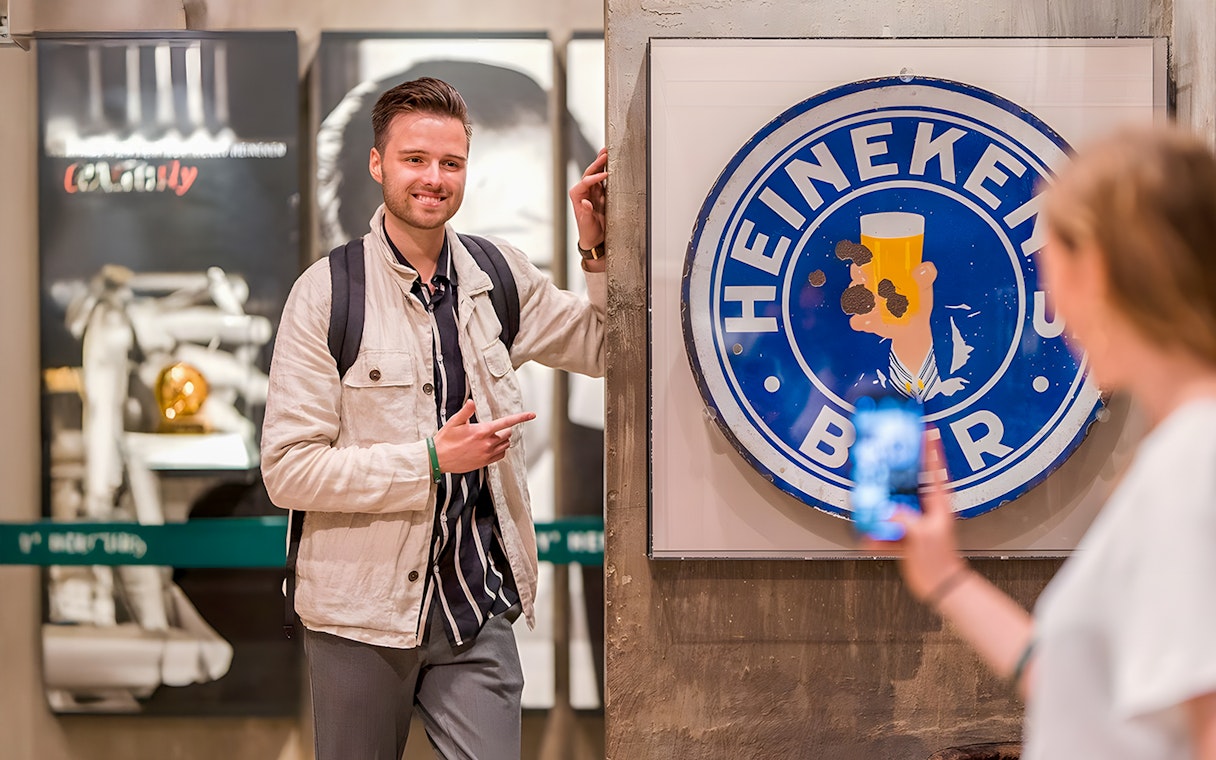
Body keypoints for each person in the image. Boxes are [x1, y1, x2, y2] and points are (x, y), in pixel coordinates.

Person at [260, 76, 608, 760]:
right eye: (415, 159)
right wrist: (428, 459)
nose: (434, 178)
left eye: (450, 163)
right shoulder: (326, 293)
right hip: (359, 619)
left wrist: (595, 249)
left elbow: (605, 346)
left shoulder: (497, 272)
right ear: (378, 164)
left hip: (476, 613)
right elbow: (288, 470)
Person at [886, 124, 1216, 759]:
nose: (1055, 311)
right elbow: (1092, 700)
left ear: (1094, 267)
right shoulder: (1182, 455)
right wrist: (946, 579)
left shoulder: (1194, 465)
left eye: (1049, 272)